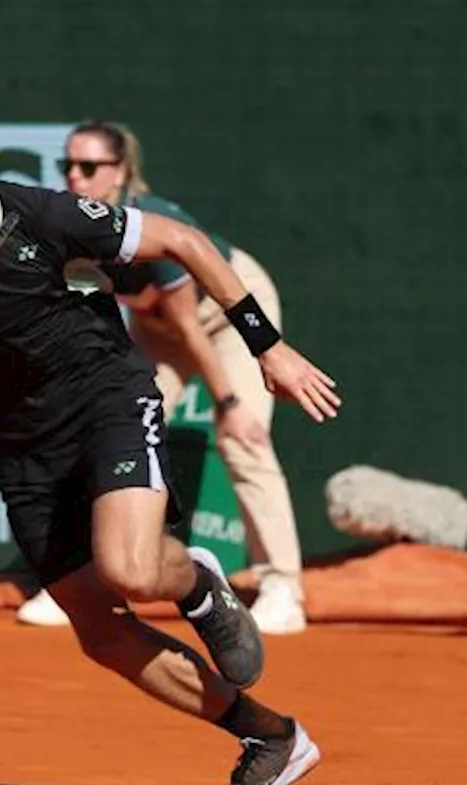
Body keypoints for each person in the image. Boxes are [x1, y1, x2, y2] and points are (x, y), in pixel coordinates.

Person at [0, 70, 338, 785]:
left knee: (129, 568)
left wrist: (268, 347)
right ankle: (272, 740)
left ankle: (192, 582)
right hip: (22, 445)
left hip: (107, 401)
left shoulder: (46, 216)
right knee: (99, 631)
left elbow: (183, 242)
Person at [16, 121, 308, 635]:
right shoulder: (72, 227)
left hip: (228, 313)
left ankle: (283, 588)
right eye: (68, 166)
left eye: (89, 167)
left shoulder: (153, 221)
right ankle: (77, 579)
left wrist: (230, 403)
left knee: (244, 441)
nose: (75, 177)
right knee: (108, 435)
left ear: (121, 171)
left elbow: (191, 328)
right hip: (157, 327)